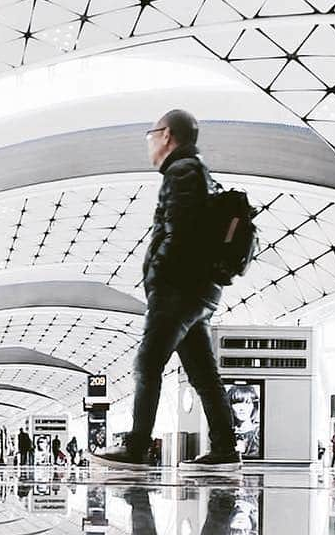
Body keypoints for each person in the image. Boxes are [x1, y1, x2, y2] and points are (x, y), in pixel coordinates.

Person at [91, 108, 239, 470]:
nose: (150, 143)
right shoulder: (197, 171)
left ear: (167, 135)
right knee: (204, 374)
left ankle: (137, 447)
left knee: (147, 362)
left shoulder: (182, 171)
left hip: (179, 288)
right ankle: (225, 449)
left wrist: (157, 276)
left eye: (151, 135)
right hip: (198, 292)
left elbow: (180, 232)